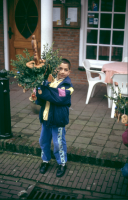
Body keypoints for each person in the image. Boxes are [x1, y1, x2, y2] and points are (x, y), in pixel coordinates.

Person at [35, 58, 74, 177]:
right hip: (46, 118)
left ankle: (62, 163)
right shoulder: (49, 81)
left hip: (58, 120)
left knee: (58, 143)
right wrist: (36, 94)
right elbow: (43, 98)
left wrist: (41, 90)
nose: (62, 71)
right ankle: (45, 160)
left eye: (65, 69)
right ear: (56, 69)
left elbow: (58, 97)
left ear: (69, 72)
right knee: (43, 140)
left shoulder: (68, 87)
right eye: (60, 68)